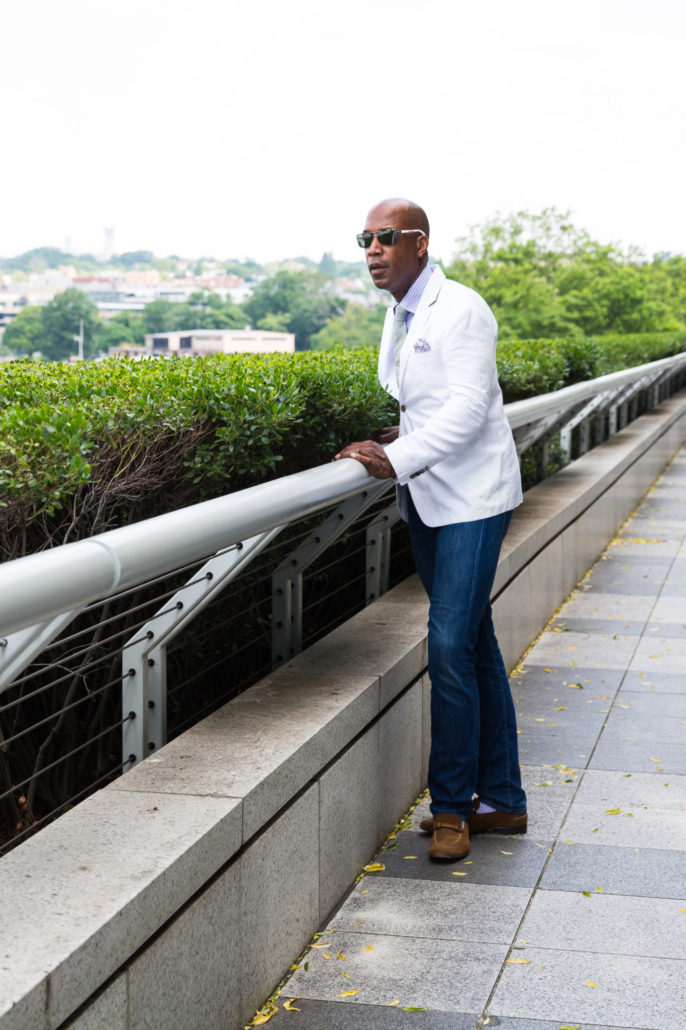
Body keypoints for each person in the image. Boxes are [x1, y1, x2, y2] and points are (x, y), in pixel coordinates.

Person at [334, 198, 527, 861]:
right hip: (428, 496)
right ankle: (502, 798)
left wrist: (396, 457)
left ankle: (452, 809)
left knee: (447, 645)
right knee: (474, 643)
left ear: (418, 242)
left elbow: (472, 408)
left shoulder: (462, 308)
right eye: (365, 239)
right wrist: (402, 435)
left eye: (385, 238)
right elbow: (430, 400)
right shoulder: (401, 312)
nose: (372, 250)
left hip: (473, 498)